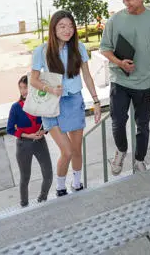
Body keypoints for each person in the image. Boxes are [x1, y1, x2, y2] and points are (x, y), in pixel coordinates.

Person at [100, 0, 150, 174]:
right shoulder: (115, 20)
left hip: (143, 84)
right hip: (119, 81)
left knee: (143, 125)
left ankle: (139, 160)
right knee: (117, 121)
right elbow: (105, 48)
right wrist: (119, 63)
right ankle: (121, 151)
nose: (126, 3)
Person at [29, 11, 101, 197]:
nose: (67, 30)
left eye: (70, 26)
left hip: (74, 102)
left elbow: (87, 76)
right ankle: (60, 186)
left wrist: (96, 101)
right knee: (67, 151)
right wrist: (50, 89)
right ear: (53, 29)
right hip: (52, 105)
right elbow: (33, 80)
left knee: (76, 150)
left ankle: (77, 183)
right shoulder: (42, 51)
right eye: (62, 26)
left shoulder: (79, 48)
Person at [6, 75, 54, 207]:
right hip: (23, 145)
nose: (23, 91)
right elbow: (10, 129)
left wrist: (43, 131)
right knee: (25, 177)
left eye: (26, 87)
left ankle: (42, 199)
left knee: (48, 174)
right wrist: (28, 135)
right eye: (21, 88)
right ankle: (24, 204)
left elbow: (47, 121)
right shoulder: (15, 107)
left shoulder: (40, 103)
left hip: (40, 142)